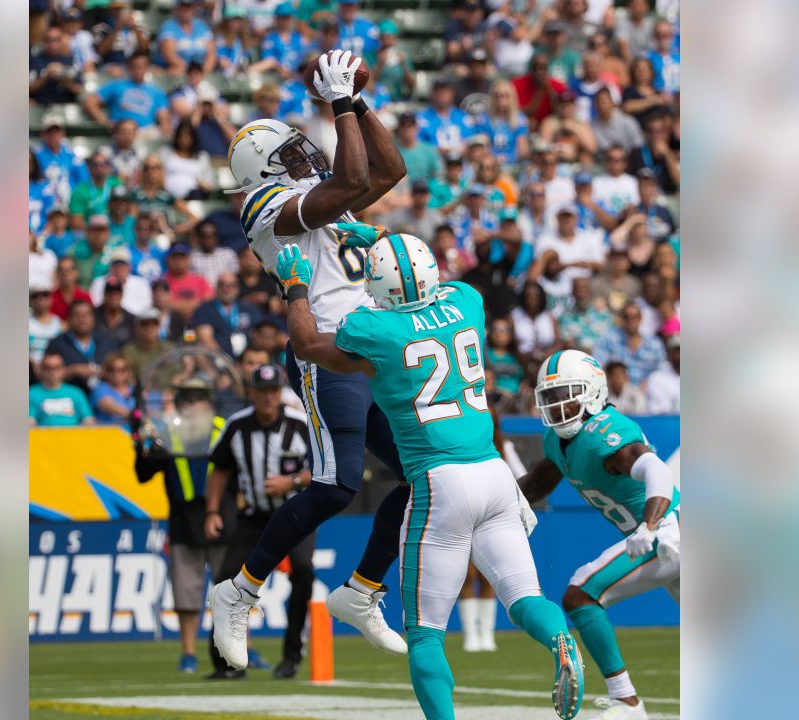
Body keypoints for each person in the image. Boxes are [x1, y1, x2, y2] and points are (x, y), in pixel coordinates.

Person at [272, 229, 584, 720]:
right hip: (493, 472)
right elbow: (441, 284)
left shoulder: (375, 329)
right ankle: (561, 639)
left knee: (423, 633)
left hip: (440, 484)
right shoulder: (467, 302)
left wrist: (295, 286)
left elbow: (308, 345)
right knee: (526, 599)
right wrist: (378, 236)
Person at [210, 52, 415, 670]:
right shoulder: (265, 206)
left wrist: (356, 99)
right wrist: (342, 103)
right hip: (330, 350)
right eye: (293, 153)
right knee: (335, 485)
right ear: (266, 167)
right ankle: (238, 590)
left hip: (373, 345)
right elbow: (352, 181)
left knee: (424, 477)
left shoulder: (325, 195)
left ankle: (362, 592)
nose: (307, 155)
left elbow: (390, 168)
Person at [520, 350, 680, 720]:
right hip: (660, 532)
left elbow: (657, 470)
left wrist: (652, 524)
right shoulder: (559, 441)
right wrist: (495, 500)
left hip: (670, 532)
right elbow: (538, 481)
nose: (559, 407)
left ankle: (626, 701)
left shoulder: (603, 433)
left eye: (567, 395)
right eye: (551, 398)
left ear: (593, 392)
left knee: (581, 593)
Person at [203, 364, 314, 680]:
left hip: (296, 514)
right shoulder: (237, 426)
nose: (268, 397)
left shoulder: (300, 423)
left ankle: (292, 655)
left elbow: (322, 469)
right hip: (253, 517)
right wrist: (212, 512)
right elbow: (220, 469)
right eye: (261, 391)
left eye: (273, 390)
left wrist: (291, 482)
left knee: (303, 571)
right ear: (250, 392)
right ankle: (226, 663)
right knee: (226, 580)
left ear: (280, 391)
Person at [133, 377, 231, 673]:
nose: (192, 405)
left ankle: (243, 648)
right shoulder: (165, 432)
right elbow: (143, 473)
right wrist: (140, 445)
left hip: (225, 519)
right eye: (186, 398)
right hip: (183, 521)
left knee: (233, 592)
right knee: (186, 593)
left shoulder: (224, 429)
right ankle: (188, 653)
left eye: (198, 398)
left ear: (209, 402)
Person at [459, 405, 528, 652]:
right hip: (466, 513)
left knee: (488, 575)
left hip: (494, 517)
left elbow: (522, 477)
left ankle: (486, 634)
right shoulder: (461, 442)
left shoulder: (504, 446)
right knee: (467, 575)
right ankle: (470, 634)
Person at [45, 299, 121, 395]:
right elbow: (46, 376)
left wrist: (104, 372)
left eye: (86, 314)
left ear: (93, 318)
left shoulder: (107, 342)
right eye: (76, 315)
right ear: (68, 318)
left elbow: (121, 370)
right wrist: (72, 371)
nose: (82, 318)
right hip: (69, 397)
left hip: (106, 396)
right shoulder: (56, 344)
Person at [85, 54, 172, 135]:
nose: (138, 70)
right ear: (129, 67)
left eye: (141, 67)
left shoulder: (157, 92)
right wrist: (104, 122)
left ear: (147, 68)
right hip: (120, 131)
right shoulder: (116, 85)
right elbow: (90, 101)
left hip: (145, 132)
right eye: (134, 66)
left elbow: (164, 119)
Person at [593, 302, 666, 384]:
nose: (631, 321)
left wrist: (647, 384)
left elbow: (662, 371)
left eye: (634, 317)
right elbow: (597, 368)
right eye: (626, 317)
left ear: (640, 318)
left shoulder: (654, 344)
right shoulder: (608, 340)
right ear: (621, 319)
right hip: (616, 391)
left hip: (648, 392)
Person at [192, 273, 261, 357]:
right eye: (222, 285)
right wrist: (227, 364)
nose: (227, 289)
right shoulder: (205, 309)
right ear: (216, 287)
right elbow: (206, 340)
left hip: (248, 360)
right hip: (219, 361)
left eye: (232, 285)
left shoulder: (248, 308)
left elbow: (259, 335)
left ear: (238, 288)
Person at [29, 354, 95, 427]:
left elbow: (88, 420)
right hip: (45, 436)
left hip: (73, 436)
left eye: (56, 367)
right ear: (41, 370)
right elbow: (30, 422)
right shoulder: (32, 393)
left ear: (63, 369)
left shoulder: (76, 392)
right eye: (47, 367)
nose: (52, 371)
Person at [156, 0, 216, 75]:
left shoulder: (202, 26)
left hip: (199, 73)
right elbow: (169, 55)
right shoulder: (168, 27)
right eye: (183, 7)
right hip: (178, 72)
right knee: (175, 71)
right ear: (177, 8)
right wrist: (192, 72)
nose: (187, 10)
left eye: (189, 7)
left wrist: (202, 72)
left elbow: (211, 54)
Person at [30, 26, 85, 106]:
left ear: (61, 42)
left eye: (55, 40)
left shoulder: (69, 61)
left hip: (64, 105)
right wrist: (46, 75)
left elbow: (79, 89)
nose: (52, 44)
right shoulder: (35, 60)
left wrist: (64, 79)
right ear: (43, 41)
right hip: (42, 105)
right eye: (48, 40)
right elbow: (29, 89)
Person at [91, 247, 153, 317]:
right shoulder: (99, 283)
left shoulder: (141, 283)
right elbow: (96, 305)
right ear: (110, 266)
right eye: (116, 264)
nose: (119, 268)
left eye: (123, 264)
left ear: (129, 267)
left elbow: (147, 307)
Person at [479, 80, 530, 165]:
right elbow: (483, 147)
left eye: (504, 95)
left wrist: (507, 159)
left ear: (512, 97)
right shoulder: (484, 119)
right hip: (491, 165)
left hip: (514, 164)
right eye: (497, 96)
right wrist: (495, 159)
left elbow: (522, 150)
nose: (500, 99)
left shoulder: (520, 119)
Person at [417, 81, 475, 156]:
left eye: (445, 91)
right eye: (438, 91)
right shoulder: (421, 119)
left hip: (462, 162)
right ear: (432, 94)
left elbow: (472, 142)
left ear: (452, 93)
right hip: (434, 162)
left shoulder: (463, 117)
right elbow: (417, 146)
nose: (442, 94)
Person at [162, 243, 214, 320]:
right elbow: (165, 304)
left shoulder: (200, 280)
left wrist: (179, 305)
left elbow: (209, 301)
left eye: (182, 257)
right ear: (169, 259)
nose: (178, 261)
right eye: (175, 257)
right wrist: (198, 303)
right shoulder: (163, 280)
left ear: (188, 259)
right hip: (173, 322)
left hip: (199, 321)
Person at [122, 308, 173, 381]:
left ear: (159, 326)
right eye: (145, 324)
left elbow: (176, 373)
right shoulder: (129, 351)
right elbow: (127, 379)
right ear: (137, 328)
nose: (150, 327)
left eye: (154, 323)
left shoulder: (169, 348)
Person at [91, 352, 138, 426]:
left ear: (129, 372)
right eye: (111, 369)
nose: (116, 373)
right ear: (106, 371)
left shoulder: (135, 390)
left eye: (122, 370)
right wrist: (136, 416)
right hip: (109, 433)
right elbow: (108, 405)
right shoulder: (100, 388)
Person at [394, 113, 441, 182]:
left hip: (425, 189)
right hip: (401, 189)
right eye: (403, 126)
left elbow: (438, 173)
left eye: (410, 126)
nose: (407, 130)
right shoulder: (394, 152)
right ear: (399, 129)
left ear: (416, 128)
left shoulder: (429, 150)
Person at [189, 220, 239, 285]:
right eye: (203, 235)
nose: (208, 239)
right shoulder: (192, 257)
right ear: (198, 237)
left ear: (217, 237)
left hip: (225, 292)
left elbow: (235, 278)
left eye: (212, 235)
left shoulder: (228, 254)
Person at [29, 283, 65, 368]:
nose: (40, 299)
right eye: (35, 296)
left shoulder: (61, 325)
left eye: (45, 295)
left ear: (51, 299)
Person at [644, 335, 679, 414]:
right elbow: (656, 410)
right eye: (677, 351)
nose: (679, 355)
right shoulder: (656, 378)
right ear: (669, 354)